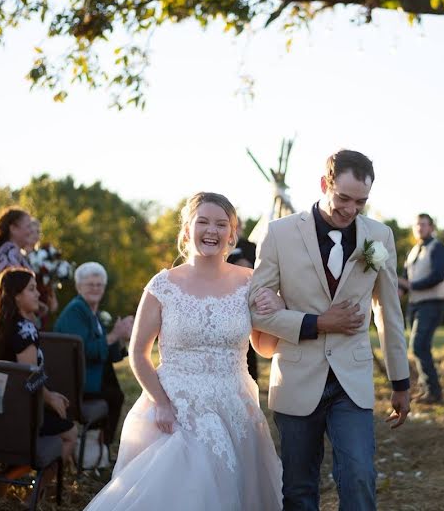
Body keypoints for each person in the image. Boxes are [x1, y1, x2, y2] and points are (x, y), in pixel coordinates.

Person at [84, 192, 282, 510]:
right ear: (187, 230)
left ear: (233, 233)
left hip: (235, 406)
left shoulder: (251, 282)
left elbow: (266, 347)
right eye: (202, 222)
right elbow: (138, 353)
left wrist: (278, 308)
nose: (212, 231)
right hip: (177, 409)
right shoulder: (163, 286)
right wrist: (161, 403)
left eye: (221, 224)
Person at [249, 149, 411, 511]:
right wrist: (317, 323)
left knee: (359, 476)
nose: (351, 210)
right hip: (295, 376)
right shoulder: (279, 234)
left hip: (351, 380)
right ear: (325, 184)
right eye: (343, 198)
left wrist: (400, 382)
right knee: (299, 489)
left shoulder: (379, 237)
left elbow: (389, 312)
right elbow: (254, 311)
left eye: (361, 202)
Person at [0, 267, 78, 465]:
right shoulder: (25, 330)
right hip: (19, 412)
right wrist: (51, 398)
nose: (38, 293)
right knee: (71, 432)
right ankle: (25, 486)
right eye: (31, 289)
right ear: (16, 296)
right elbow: (30, 377)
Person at [54, 262, 132, 447]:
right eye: (90, 284)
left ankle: (98, 449)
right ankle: (97, 449)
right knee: (114, 396)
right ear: (78, 286)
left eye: (99, 285)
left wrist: (120, 338)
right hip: (76, 382)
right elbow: (85, 350)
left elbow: (107, 353)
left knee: (115, 391)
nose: (95, 288)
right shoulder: (76, 310)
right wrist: (114, 335)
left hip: (90, 375)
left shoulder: (91, 312)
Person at [398, 213, 444, 404]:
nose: (419, 228)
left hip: (432, 303)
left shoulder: (438, 248)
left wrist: (410, 285)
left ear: (431, 227)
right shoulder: (413, 251)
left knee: (418, 346)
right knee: (420, 348)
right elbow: (405, 278)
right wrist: (398, 291)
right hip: (414, 305)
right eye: (416, 224)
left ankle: (435, 392)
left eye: (423, 224)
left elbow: (437, 275)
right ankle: (427, 390)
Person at [226, 223, 261, 381]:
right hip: (224, 296)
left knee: (247, 346)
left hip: (244, 301)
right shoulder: (220, 247)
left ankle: (251, 380)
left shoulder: (250, 246)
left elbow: (257, 268)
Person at [0, 206, 34, 295]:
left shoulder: (8, 253)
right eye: (28, 226)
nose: (32, 231)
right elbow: (16, 293)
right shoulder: (7, 255)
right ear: (13, 229)